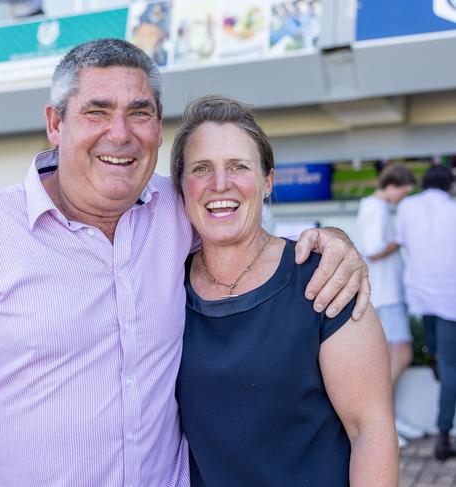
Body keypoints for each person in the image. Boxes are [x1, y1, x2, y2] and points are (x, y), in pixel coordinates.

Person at [0, 39, 370, 486]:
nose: (119, 134)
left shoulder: (178, 211)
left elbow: (243, 228)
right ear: (56, 123)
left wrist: (334, 240)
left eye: (139, 113)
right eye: (97, 111)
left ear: (158, 128)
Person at [173, 95, 397, 486]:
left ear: (268, 180)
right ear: (182, 185)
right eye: (201, 168)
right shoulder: (163, 287)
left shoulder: (323, 280)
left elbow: (371, 431)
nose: (219, 184)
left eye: (239, 166)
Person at [356, 164, 421, 447]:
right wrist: (402, 240)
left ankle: (388, 417)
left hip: (388, 294)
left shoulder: (377, 207)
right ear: (394, 185)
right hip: (386, 295)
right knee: (402, 354)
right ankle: (383, 418)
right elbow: (373, 249)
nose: (404, 198)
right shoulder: (375, 208)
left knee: (392, 357)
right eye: (404, 192)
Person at [396, 164, 456, 461]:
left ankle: (436, 362)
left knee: (439, 357)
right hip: (450, 298)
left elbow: (402, 240)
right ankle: (444, 436)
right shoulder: (453, 210)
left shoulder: (408, 206)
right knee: (450, 368)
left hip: (421, 293)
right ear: (449, 184)